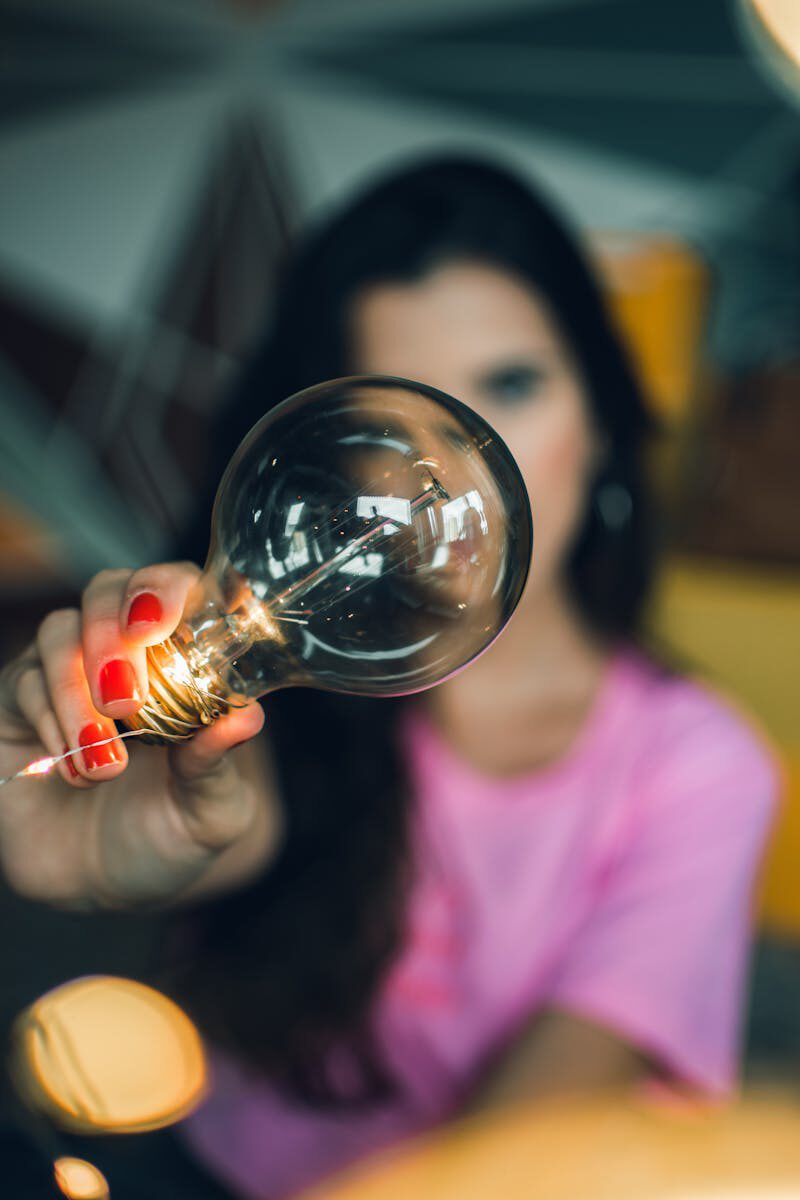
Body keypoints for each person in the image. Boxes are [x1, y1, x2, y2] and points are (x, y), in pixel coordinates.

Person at [0, 156, 779, 1200]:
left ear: (597, 415)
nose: (454, 479)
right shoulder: (320, 696)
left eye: (511, 385)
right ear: (330, 475)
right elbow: (231, 820)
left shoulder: (698, 768)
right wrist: (107, 827)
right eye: (405, 428)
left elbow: (518, 1147)